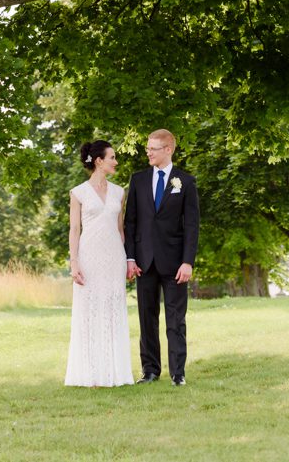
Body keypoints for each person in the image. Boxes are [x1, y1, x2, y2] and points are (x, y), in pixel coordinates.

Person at [124, 129, 199, 386]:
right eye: (147, 148)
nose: (148, 152)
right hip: (144, 262)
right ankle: (150, 371)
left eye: (153, 148)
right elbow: (130, 221)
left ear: (168, 149)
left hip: (176, 263)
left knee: (175, 320)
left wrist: (188, 261)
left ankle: (178, 373)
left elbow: (192, 225)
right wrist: (130, 258)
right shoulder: (139, 179)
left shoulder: (185, 182)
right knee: (147, 318)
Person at [65, 140, 134, 387]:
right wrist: (74, 263)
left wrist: (128, 259)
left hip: (114, 256)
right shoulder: (78, 192)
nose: (116, 161)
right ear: (99, 161)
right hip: (89, 256)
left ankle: (116, 373)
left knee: (113, 309)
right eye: (112, 157)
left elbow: (120, 228)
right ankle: (90, 374)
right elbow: (74, 230)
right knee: (90, 311)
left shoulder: (119, 192)